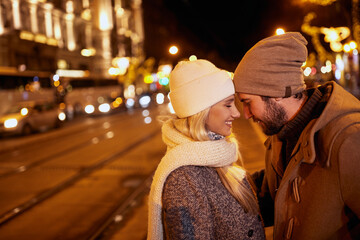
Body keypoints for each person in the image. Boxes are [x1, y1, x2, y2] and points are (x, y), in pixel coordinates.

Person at [233, 32, 360, 239]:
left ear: (275, 95)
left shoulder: (349, 138)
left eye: (247, 102)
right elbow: (275, 194)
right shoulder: (281, 133)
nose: (245, 114)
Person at [147, 59, 265, 240]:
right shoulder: (183, 180)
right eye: (228, 105)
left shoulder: (216, 157)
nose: (237, 113)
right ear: (201, 111)